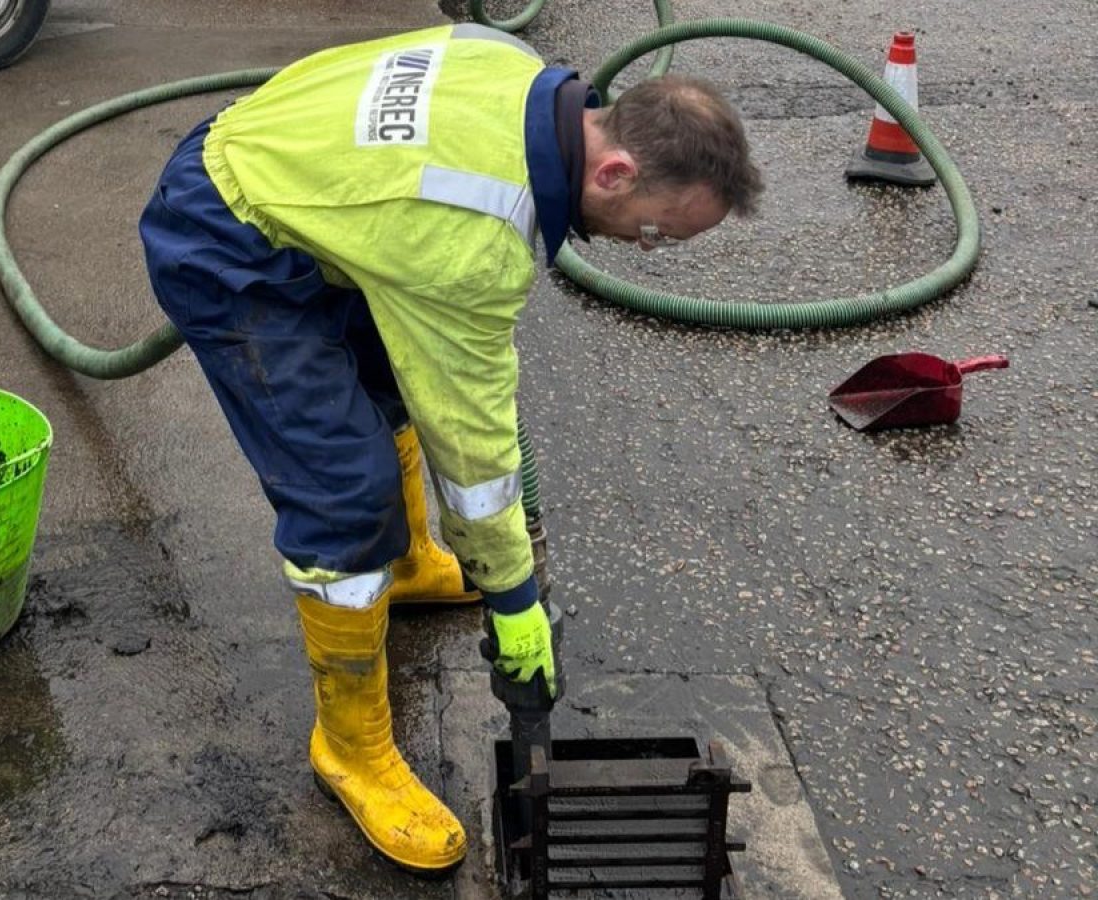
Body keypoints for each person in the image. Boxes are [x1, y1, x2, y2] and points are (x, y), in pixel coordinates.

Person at [138, 23, 762, 875]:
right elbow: (473, 445)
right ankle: (350, 749)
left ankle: (411, 567)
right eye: (655, 233)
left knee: (390, 375)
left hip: (311, 183)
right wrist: (514, 597)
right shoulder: (471, 238)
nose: (642, 250)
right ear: (614, 170)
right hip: (227, 237)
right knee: (343, 495)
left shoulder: (507, 64)